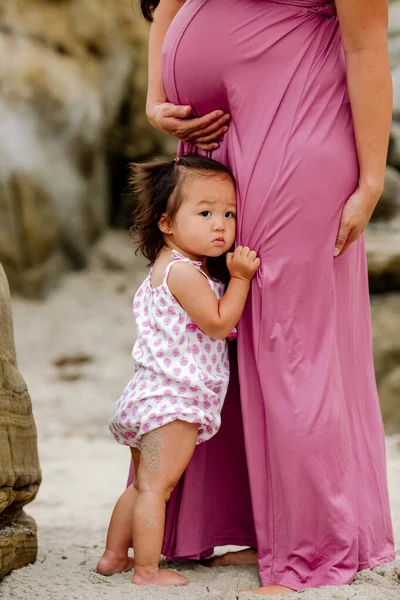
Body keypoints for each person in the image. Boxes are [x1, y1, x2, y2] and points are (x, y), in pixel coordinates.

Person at [130, 0, 396, 596]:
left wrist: (372, 180)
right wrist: (156, 96)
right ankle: (264, 528)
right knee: (215, 331)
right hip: (209, 141)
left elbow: (365, 45)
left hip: (297, 128)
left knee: (287, 337)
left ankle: (312, 546)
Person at [97, 154, 260, 586]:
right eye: (205, 213)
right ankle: (147, 572)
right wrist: (241, 278)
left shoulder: (163, 269)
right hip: (173, 403)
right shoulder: (186, 275)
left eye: (229, 213)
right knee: (156, 489)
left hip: (145, 397)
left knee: (139, 486)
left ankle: (114, 556)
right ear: (167, 223)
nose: (220, 225)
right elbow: (220, 322)